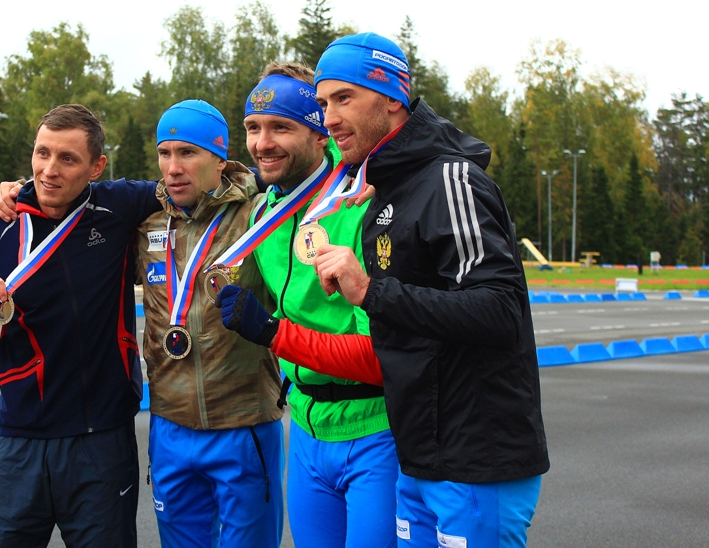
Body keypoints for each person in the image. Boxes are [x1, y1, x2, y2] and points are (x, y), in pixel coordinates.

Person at [222, 34, 549, 548]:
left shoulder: (448, 178)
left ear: (393, 97)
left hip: (464, 452)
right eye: (324, 103)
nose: (330, 118)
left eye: (343, 99)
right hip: (415, 449)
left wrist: (367, 294)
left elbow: (501, 310)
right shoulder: (379, 191)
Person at [0, 104, 161, 548]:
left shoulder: (118, 207)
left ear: (96, 167)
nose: (49, 170)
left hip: (101, 442)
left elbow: (187, 182)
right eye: (42, 153)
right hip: (20, 442)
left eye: (67, 158)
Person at [218, 62, 398, 548]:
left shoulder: (363, 202)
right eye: (252, 128)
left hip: (375, 429)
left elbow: (380, 356)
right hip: (304, 427)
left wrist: (272, 332)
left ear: (321, 135)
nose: (262, 143)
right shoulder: (261, 213)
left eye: (281, 127)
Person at [137, 100, 284, 548]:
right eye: (165, 153)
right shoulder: (145, 224)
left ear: (220, 159)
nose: (173, 167)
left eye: (188, 152)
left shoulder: (261, 214)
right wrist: (13, 193)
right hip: (170, 426)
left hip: (244, 424)